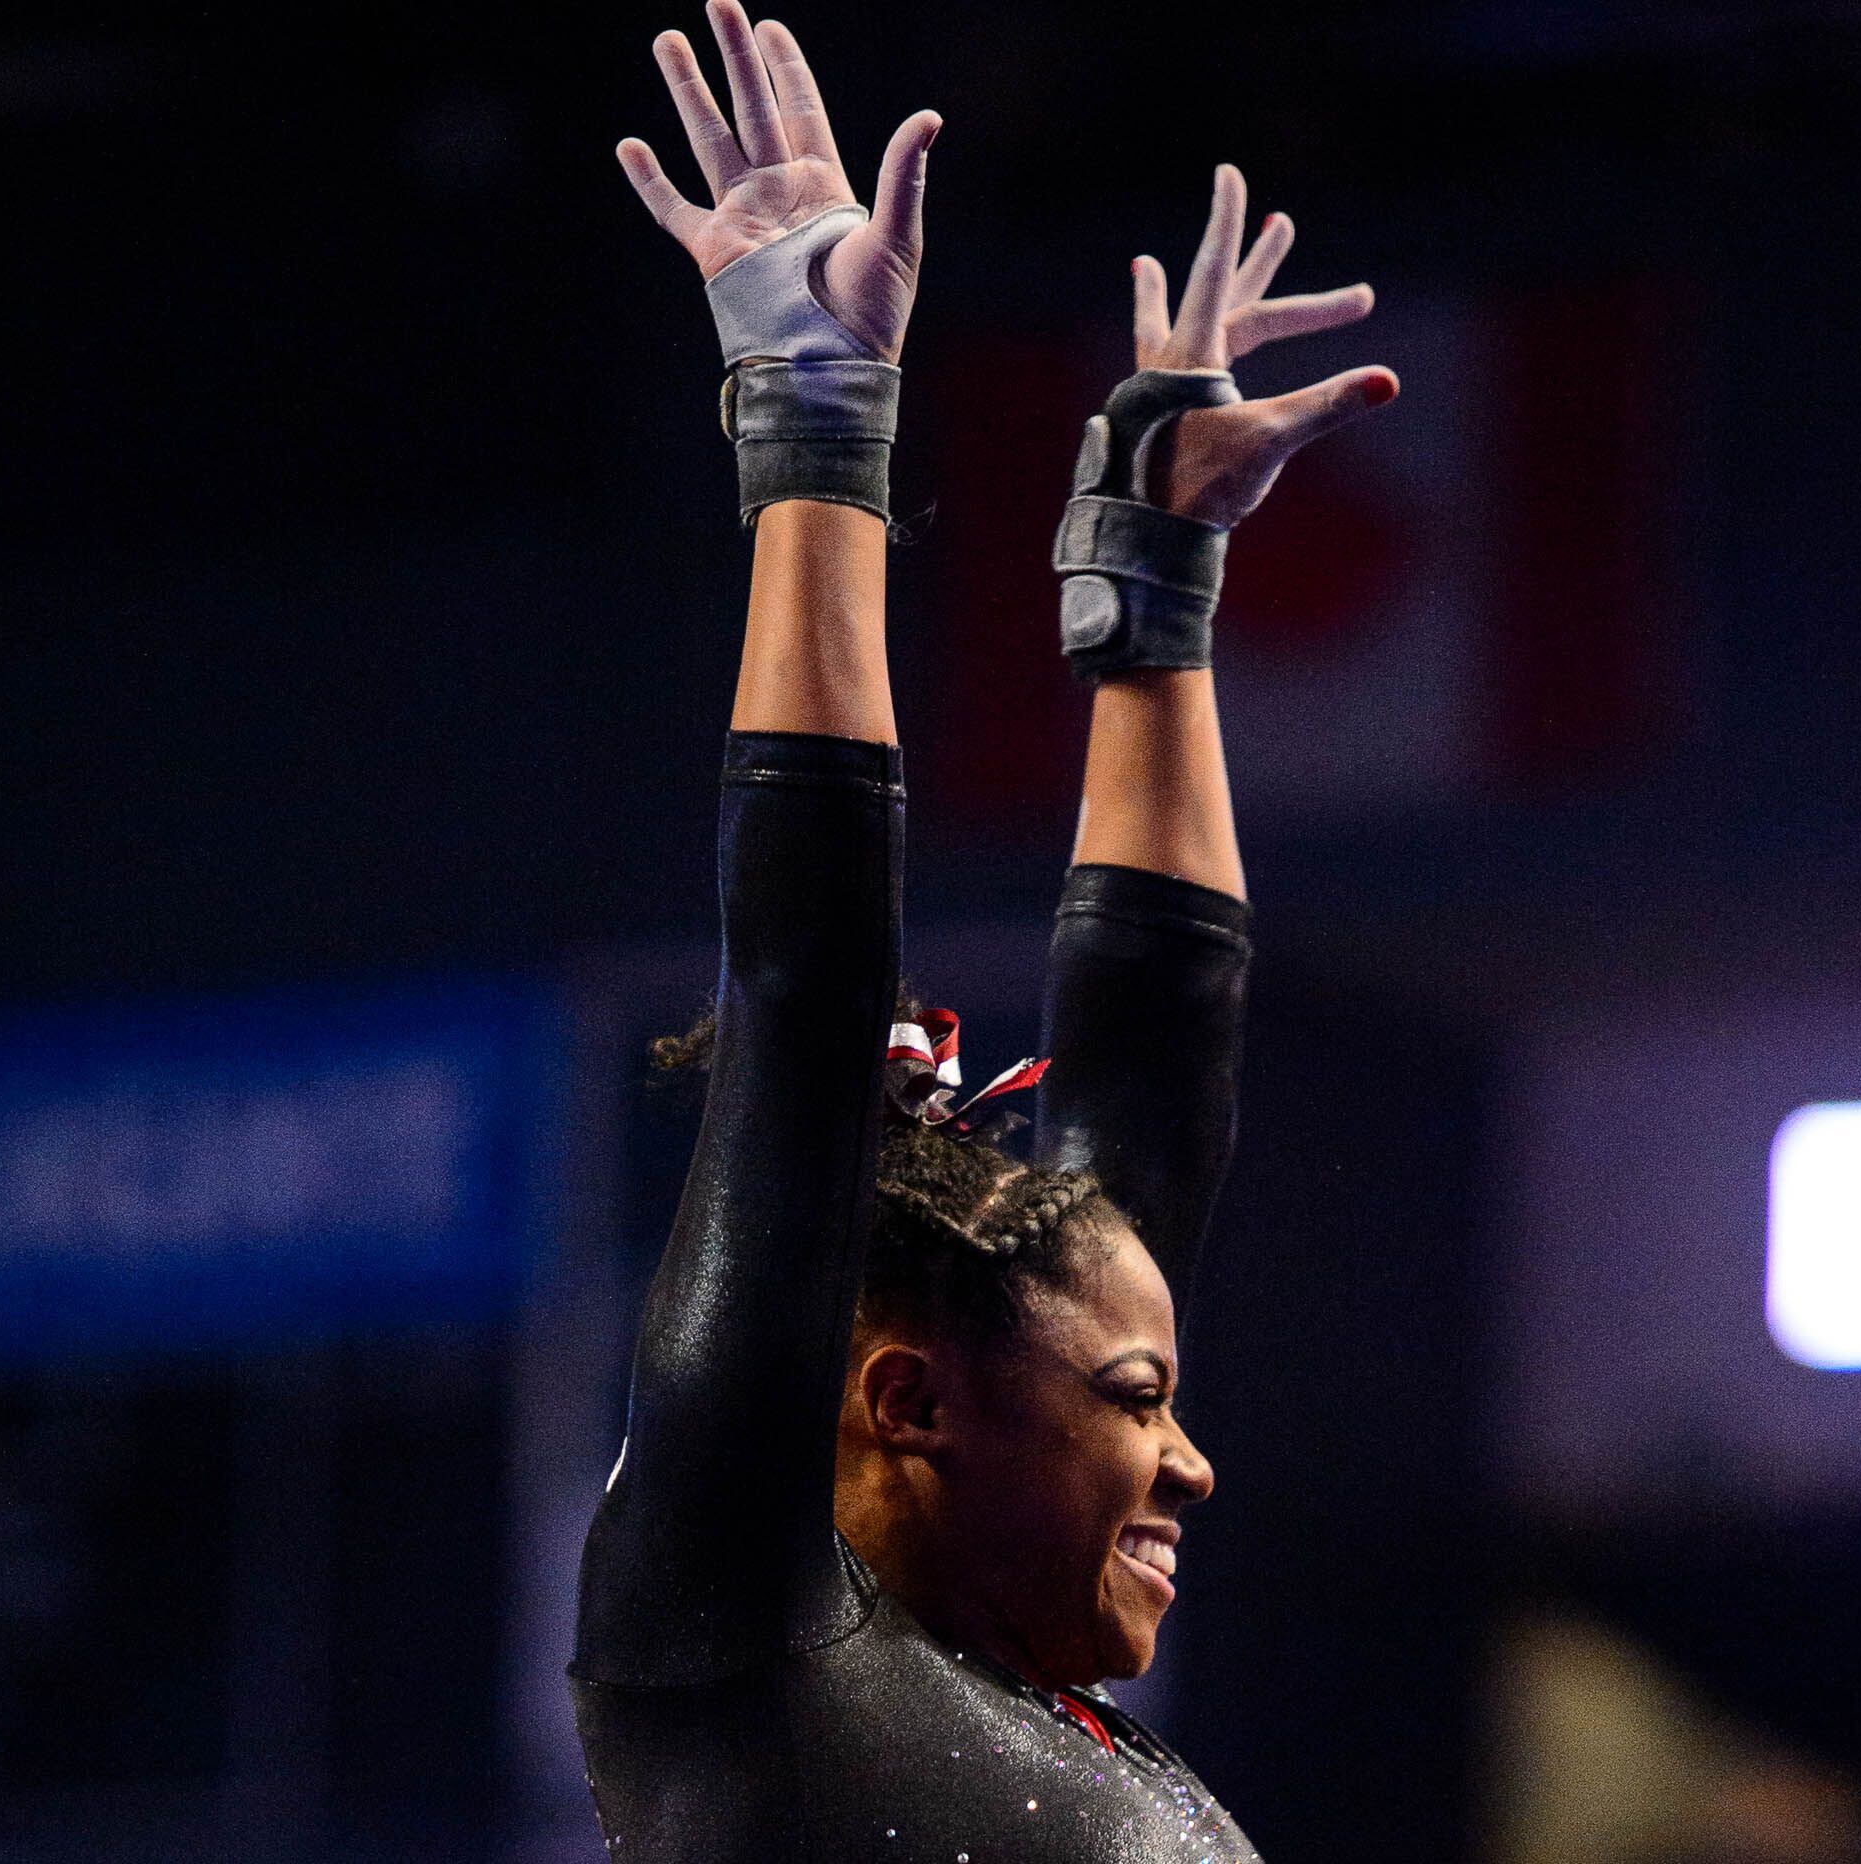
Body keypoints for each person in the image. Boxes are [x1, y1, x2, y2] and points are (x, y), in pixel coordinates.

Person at [572, 7, 1399, 1856]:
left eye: (1155, 1399)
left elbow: (1153, 1085)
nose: (1190, 1458)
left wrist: (1157, 606)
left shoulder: (1064, 1726)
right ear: (902, 1401)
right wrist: (811, 429)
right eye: (1136, 1401)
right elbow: (802, 997)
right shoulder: (732, 1641)